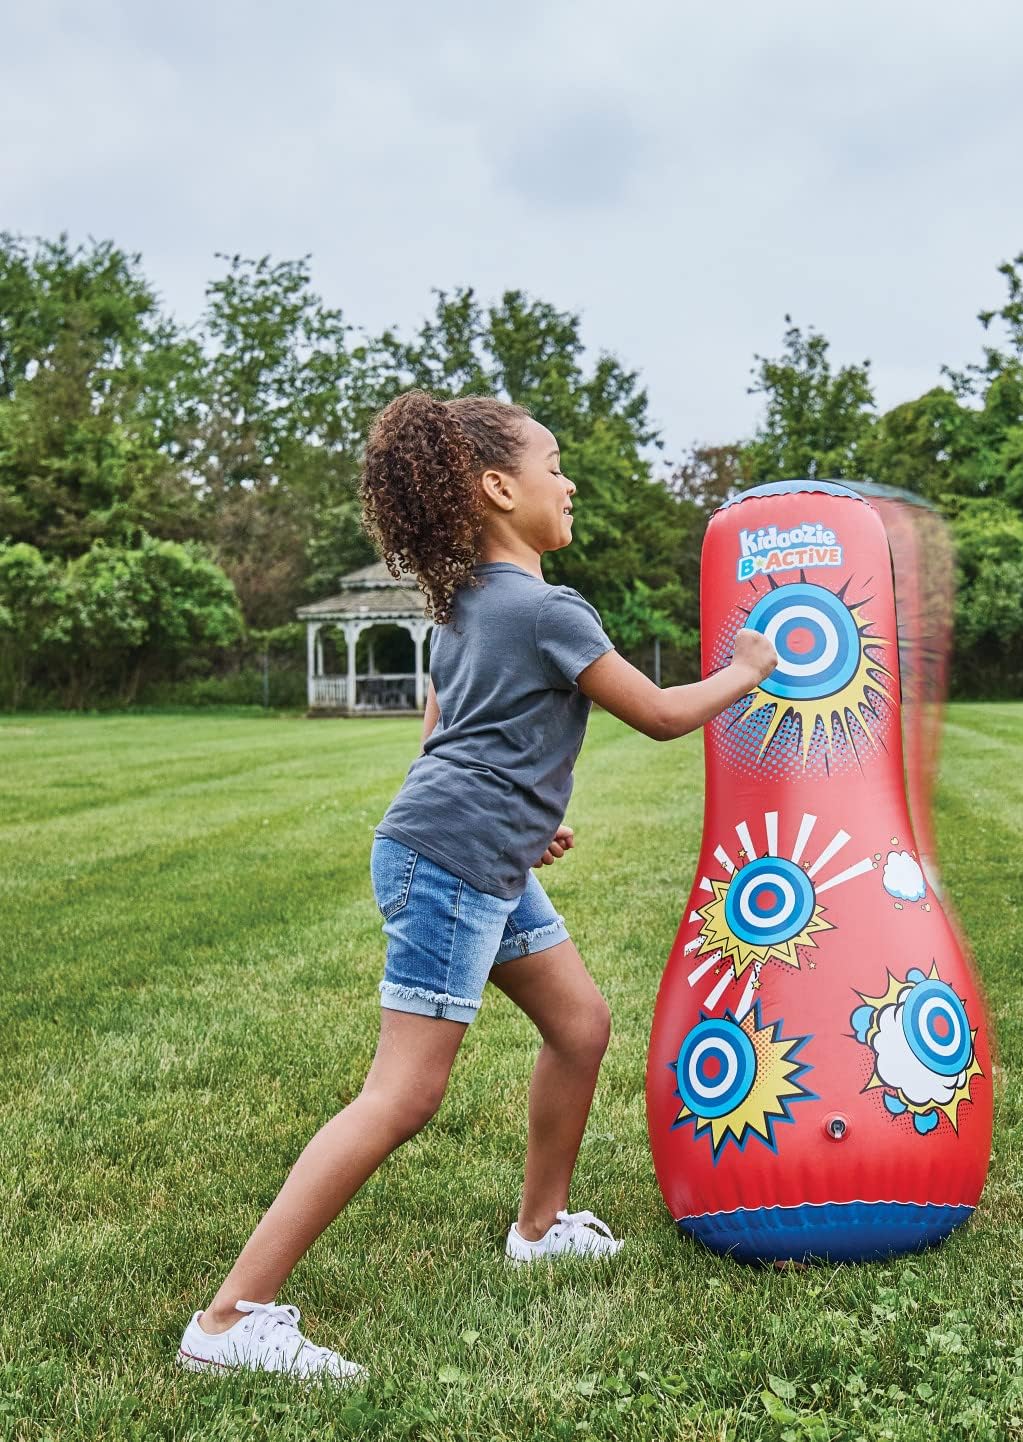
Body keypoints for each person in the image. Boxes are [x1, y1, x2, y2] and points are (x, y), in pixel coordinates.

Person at [178, 391, 776, 1380]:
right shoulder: (547, 610)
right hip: (454, 859)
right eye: (554, 465)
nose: (568, 483)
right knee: (402, 1093)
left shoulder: (461, 607)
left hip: (470, 848)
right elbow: (665, 714)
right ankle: (229, 1320)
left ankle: (539, 1228)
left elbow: (445, 733)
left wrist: (521, 820)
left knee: (579, 1024)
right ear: (499, 487)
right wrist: (747, 665)